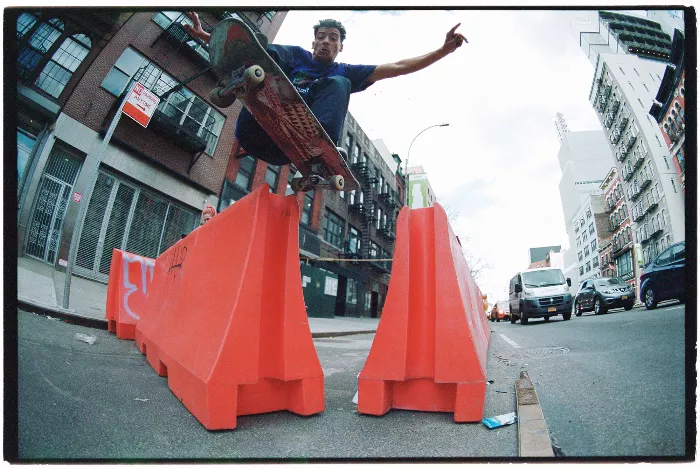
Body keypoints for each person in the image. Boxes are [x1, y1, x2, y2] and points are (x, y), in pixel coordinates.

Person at [185, 12, 466, 166]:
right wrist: (209, 38)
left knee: (340, 83)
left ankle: (319, 148)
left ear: (340, 46)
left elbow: (397, 66)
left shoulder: (344, 70)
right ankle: (246, 81)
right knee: (274, 55)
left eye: (332, 39)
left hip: (289, 149)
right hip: (255, 129)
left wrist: (442, 51)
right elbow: (251, 50)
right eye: (320, 38)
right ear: (313, 42)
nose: (325, 42)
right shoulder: (298, 54)